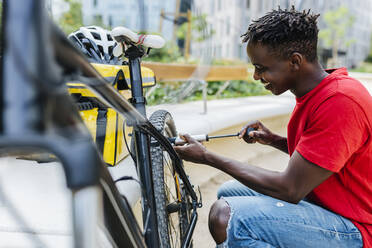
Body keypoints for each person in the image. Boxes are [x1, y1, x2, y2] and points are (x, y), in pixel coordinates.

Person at [174, 7, 372, 248]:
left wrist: (207, 157)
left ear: (295, 61)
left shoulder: (340, 102)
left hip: (355, 228)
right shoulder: (318, 92)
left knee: (226, 216)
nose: (256, 76)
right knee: (229, 192)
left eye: (262, 67)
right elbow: (324, 155)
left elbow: (290, 189)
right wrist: (273, 139)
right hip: (327, 205)